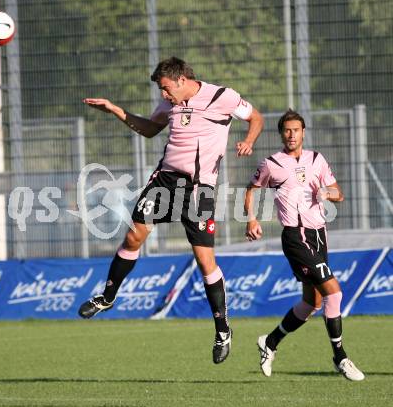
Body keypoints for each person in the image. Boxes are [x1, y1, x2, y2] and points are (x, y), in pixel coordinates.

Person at [78, 56, 264, 364]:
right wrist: (115, 111)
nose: (164, 96)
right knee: (133, 238)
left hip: (200, 189)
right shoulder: (170, 104)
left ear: (180, 80)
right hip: (166, 180)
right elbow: (150, 129)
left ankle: (222, 331)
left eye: (166, 89)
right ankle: (107, 297)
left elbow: (256, 117)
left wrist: (248, 140)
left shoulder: (222, 97)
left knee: (206, 262)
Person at [244, 109, 364, 381]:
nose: (291, 135)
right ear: (281, 134)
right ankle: (341, 357)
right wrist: (251, 220)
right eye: (287, 130)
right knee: (334, 294)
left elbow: (339, 194)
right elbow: (251, 189)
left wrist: (325, 193)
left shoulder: (316, 159)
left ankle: (270, 342)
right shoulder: (272, 163)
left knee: (312, 302)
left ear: (303, 132)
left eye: (296, 130)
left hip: (319, 235)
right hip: (296, 237)